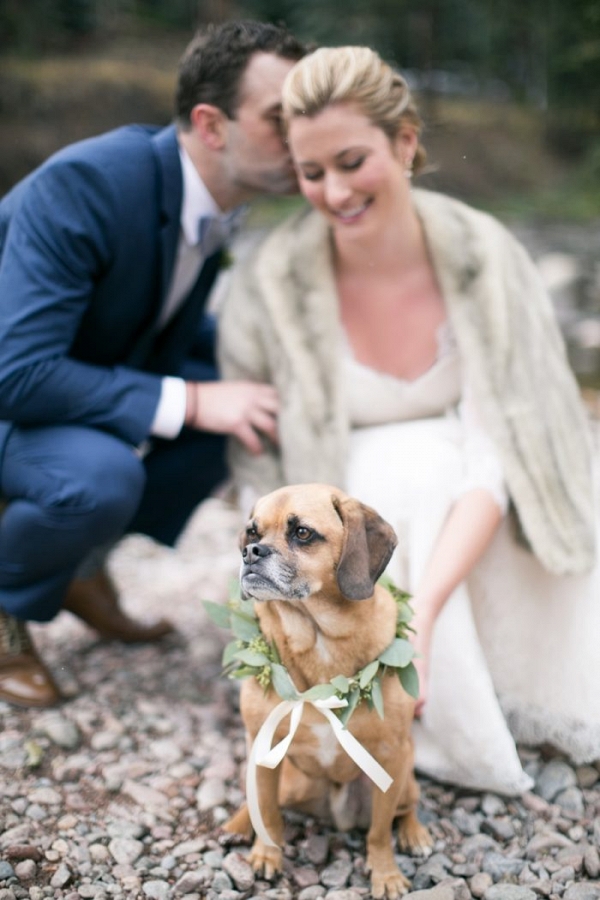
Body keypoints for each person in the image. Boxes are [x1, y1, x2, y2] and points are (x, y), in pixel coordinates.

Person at [218, 45, 600, 794]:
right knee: (394, 487)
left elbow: (511, 441)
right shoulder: (271, 283)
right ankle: (379, 716)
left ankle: (483, 688)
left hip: (475, 482)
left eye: (352, 160)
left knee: (459, 478)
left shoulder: (485, 257)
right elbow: (263, 481)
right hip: (345, 499)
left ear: (405, 142)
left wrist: (417, 614)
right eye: (311, 172)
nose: (333, 192)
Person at [0, 20, 308, 709]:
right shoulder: (88, 185)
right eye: (281, 119)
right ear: (212, 124)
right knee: (98, 477)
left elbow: (150, 319)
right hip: (13, 392)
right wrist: (195, 401)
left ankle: (77, 571)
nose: (304, 138)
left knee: (255, 406)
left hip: (68, 382)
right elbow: (13, 373)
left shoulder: (216, 200)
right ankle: (6, 601)